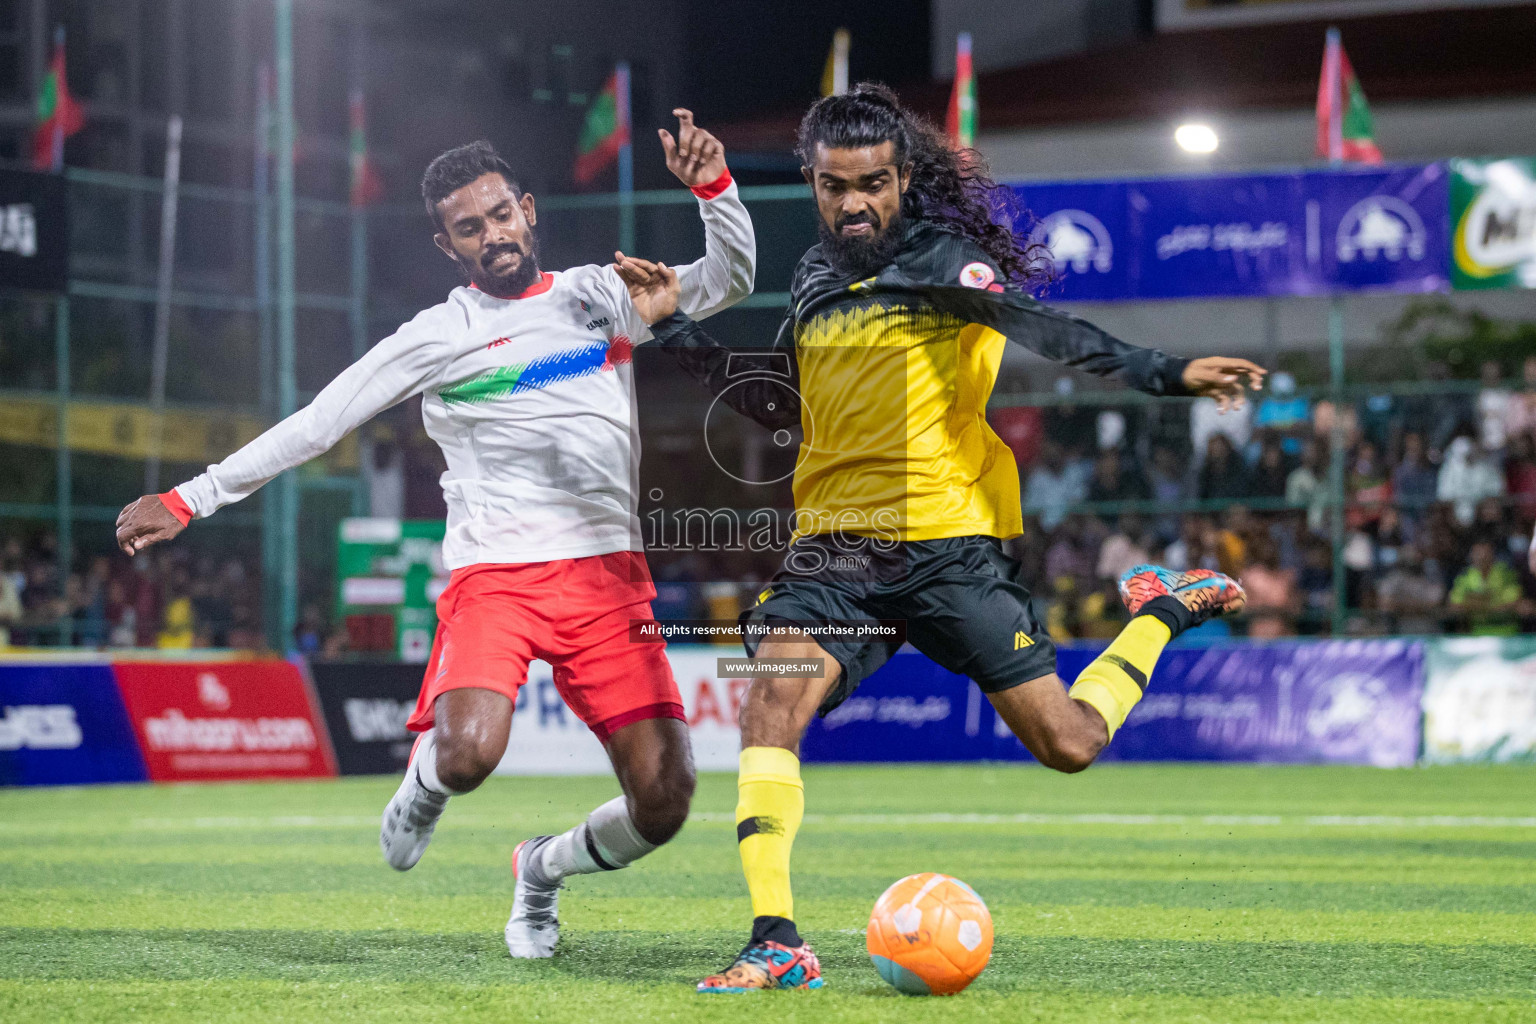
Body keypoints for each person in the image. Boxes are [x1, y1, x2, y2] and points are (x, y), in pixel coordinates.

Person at [610, 84, 1261, 993]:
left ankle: (1159, 612)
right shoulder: (812, 278)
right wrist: (669, 325)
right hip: (834, 551)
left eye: (873, 184)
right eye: (835, 187)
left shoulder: (945, 264)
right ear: (812, 183)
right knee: (771, 700)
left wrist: (1170, 374)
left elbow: (1048, 332)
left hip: (950, 544)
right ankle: (777, 940)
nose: (854, 204)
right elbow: (780, 405)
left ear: (905, 177)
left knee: (1069, 742)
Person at [113, 112, 754, 960]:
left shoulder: (601, 295)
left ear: (527, 210)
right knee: (468, 755)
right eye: (467, 229)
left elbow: (731, 278)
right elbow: (318, 423)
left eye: (498, 216)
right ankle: (423, 786)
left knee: (666, 799)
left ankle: (540, 871)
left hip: (609, 581)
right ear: (447, 246)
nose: (490, 236)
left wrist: (715, 190)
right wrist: (191, 498)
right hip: (499, 577)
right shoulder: (439, 335)